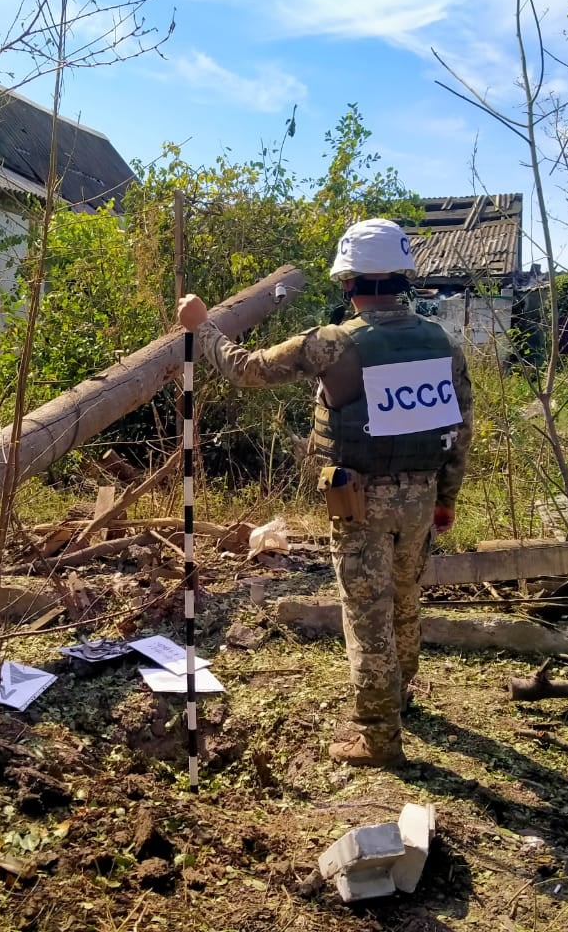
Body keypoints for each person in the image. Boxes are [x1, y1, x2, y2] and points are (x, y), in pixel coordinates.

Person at [177, 219, 472, 768]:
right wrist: (446, 495)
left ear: (348, 283)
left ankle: (375, 734)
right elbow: (460, 426)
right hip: (420, 495)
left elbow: (248, 370)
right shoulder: (443, 342)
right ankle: (399, 693)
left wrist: (204, 326)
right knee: (405, 599)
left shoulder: (334, 343)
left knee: (366, 614)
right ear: (403, 278)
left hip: (359, 500)